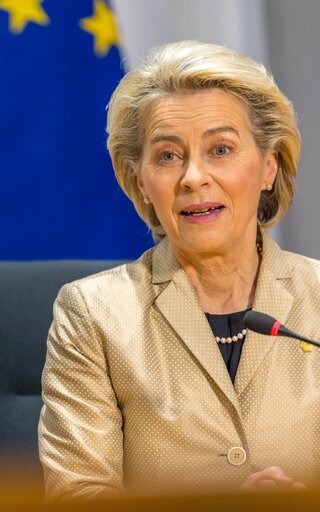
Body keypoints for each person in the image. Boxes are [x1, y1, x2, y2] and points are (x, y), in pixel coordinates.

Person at [38, 40, 319, 499]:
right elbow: (77, 494)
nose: (192, 177)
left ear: (268, 167)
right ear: (143, 182)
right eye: (168, 156)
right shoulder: (94, 314)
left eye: (221, 149)